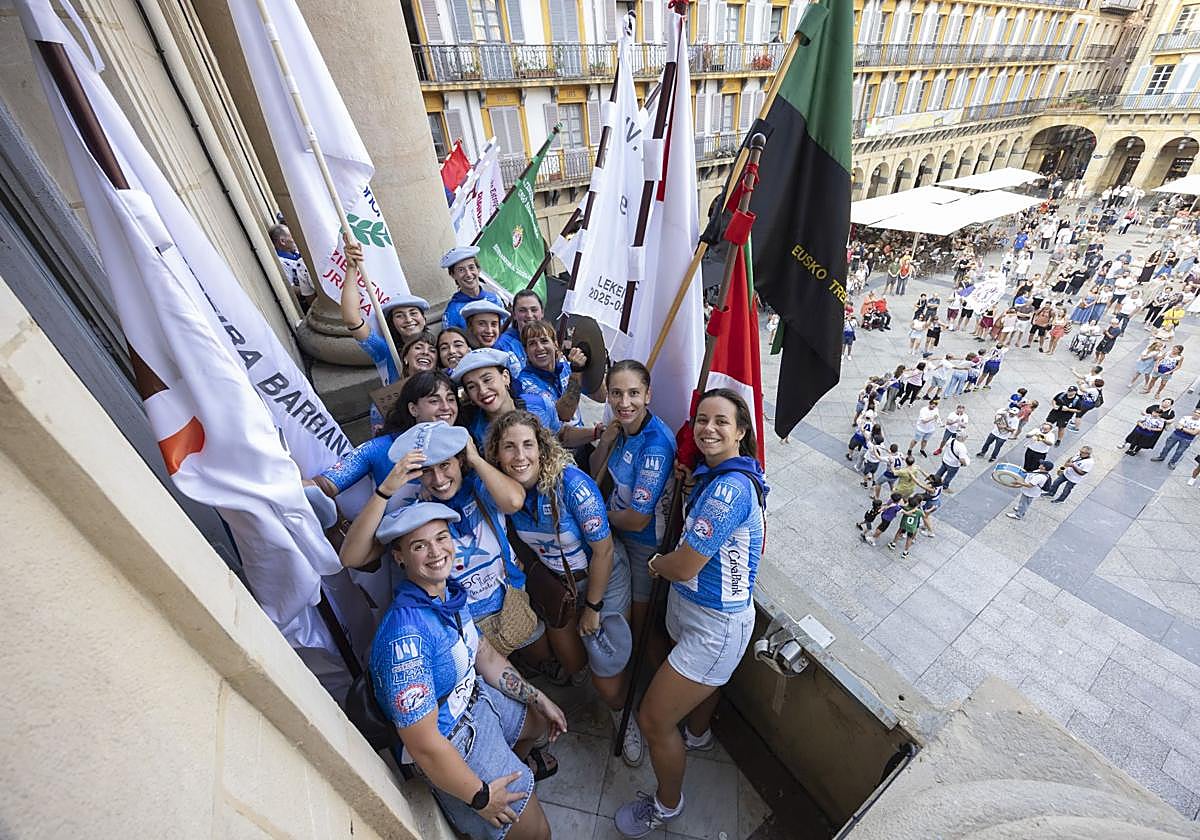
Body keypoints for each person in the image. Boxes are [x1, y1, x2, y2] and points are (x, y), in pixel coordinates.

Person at [615, 390, 767, 836]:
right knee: (705, 688)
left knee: (653, 719)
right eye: (702, 420)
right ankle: (698, 735)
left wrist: (656, 565)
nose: (708, 428)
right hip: (699, 611)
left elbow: (682, 564)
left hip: (715, 626)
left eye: (722, 421)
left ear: (741, 431)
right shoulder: (718, 475)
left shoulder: (729, 488)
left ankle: (666, 804)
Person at [367, 501, 566, 840]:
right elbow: (425, 744)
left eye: (441, 538)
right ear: (399, 557)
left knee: (536, 724)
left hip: (475, 697)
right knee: (537, 833)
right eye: (419, 545)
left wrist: (539, 697)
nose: (435, 552)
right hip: (454, 736)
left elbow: (483, 654)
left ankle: (512, 774)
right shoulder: (406, 638)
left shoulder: (446, 593)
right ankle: (487, 806)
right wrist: (481, 797)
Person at [489, 410, 643, 766]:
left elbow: (603, 550)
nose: (520, 456)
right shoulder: (504, 493)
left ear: (543, 448)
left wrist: (593, 607)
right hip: (560, 585)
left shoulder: (571, 484)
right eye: (509, 447)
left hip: (601, 577)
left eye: (528, 445)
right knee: (574, 665)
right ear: (496, 454)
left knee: (605, 677)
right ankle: (602, 670)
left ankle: (621, 713)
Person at [341, 422, 556, 672]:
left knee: (541, 659)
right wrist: (384, 492)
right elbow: (351, 557)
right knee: (500, 681)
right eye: (427, 471)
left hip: (511, 602)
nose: (439, 479)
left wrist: (474, 459)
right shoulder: (411, 515)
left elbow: (514, 500)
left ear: (459, 462)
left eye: (445, 465)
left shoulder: (480, 487)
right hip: (462, 622)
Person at [590, 360, 677, 657]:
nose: (624, 403)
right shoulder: (623, 428)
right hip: (618, 532)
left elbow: (639, 519)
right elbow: (595, 469)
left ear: (648, 395)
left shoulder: (655, 446)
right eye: (616, 393)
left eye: (633, 393)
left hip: (644, 546)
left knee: (641, 627)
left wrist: (594, 518)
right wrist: (606, 441)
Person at [517, 321, 604, 448]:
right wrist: (577, 371)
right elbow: (563, 415)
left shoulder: (567, 367)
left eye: (544, 341)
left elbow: (600, 397)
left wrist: (594, 361)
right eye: (532, 344)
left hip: (581, 439)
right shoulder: (525, 383)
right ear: (526, 351)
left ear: (555, 345)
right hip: (555, 451)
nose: (540, 347)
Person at [453, 348, 560, 448]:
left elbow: (558, 435)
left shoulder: (539, 405)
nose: (483, 391)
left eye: (487, 380)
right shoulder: (472, 431)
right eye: (472, 386)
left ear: (505, 377)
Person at [442, 245, 506, 331]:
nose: (468, 274)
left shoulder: (495, 299)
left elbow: (505, 329)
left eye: (471, 267)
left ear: (478, 269)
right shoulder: (452, 311)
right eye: (461, 270)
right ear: (453, 275)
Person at [269, 223, 315, 310]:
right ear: (282, 241)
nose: (294, 238)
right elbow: (291, 288)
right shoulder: (282, 263)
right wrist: (311, 289)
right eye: (291, 236)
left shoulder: (294, 251)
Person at [495, 290, 546, 367]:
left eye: (534, 310)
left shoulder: (550, 340)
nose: (529, 315)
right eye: (522, 310)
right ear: (514, 314)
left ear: (542, 312)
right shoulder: (503, 345)